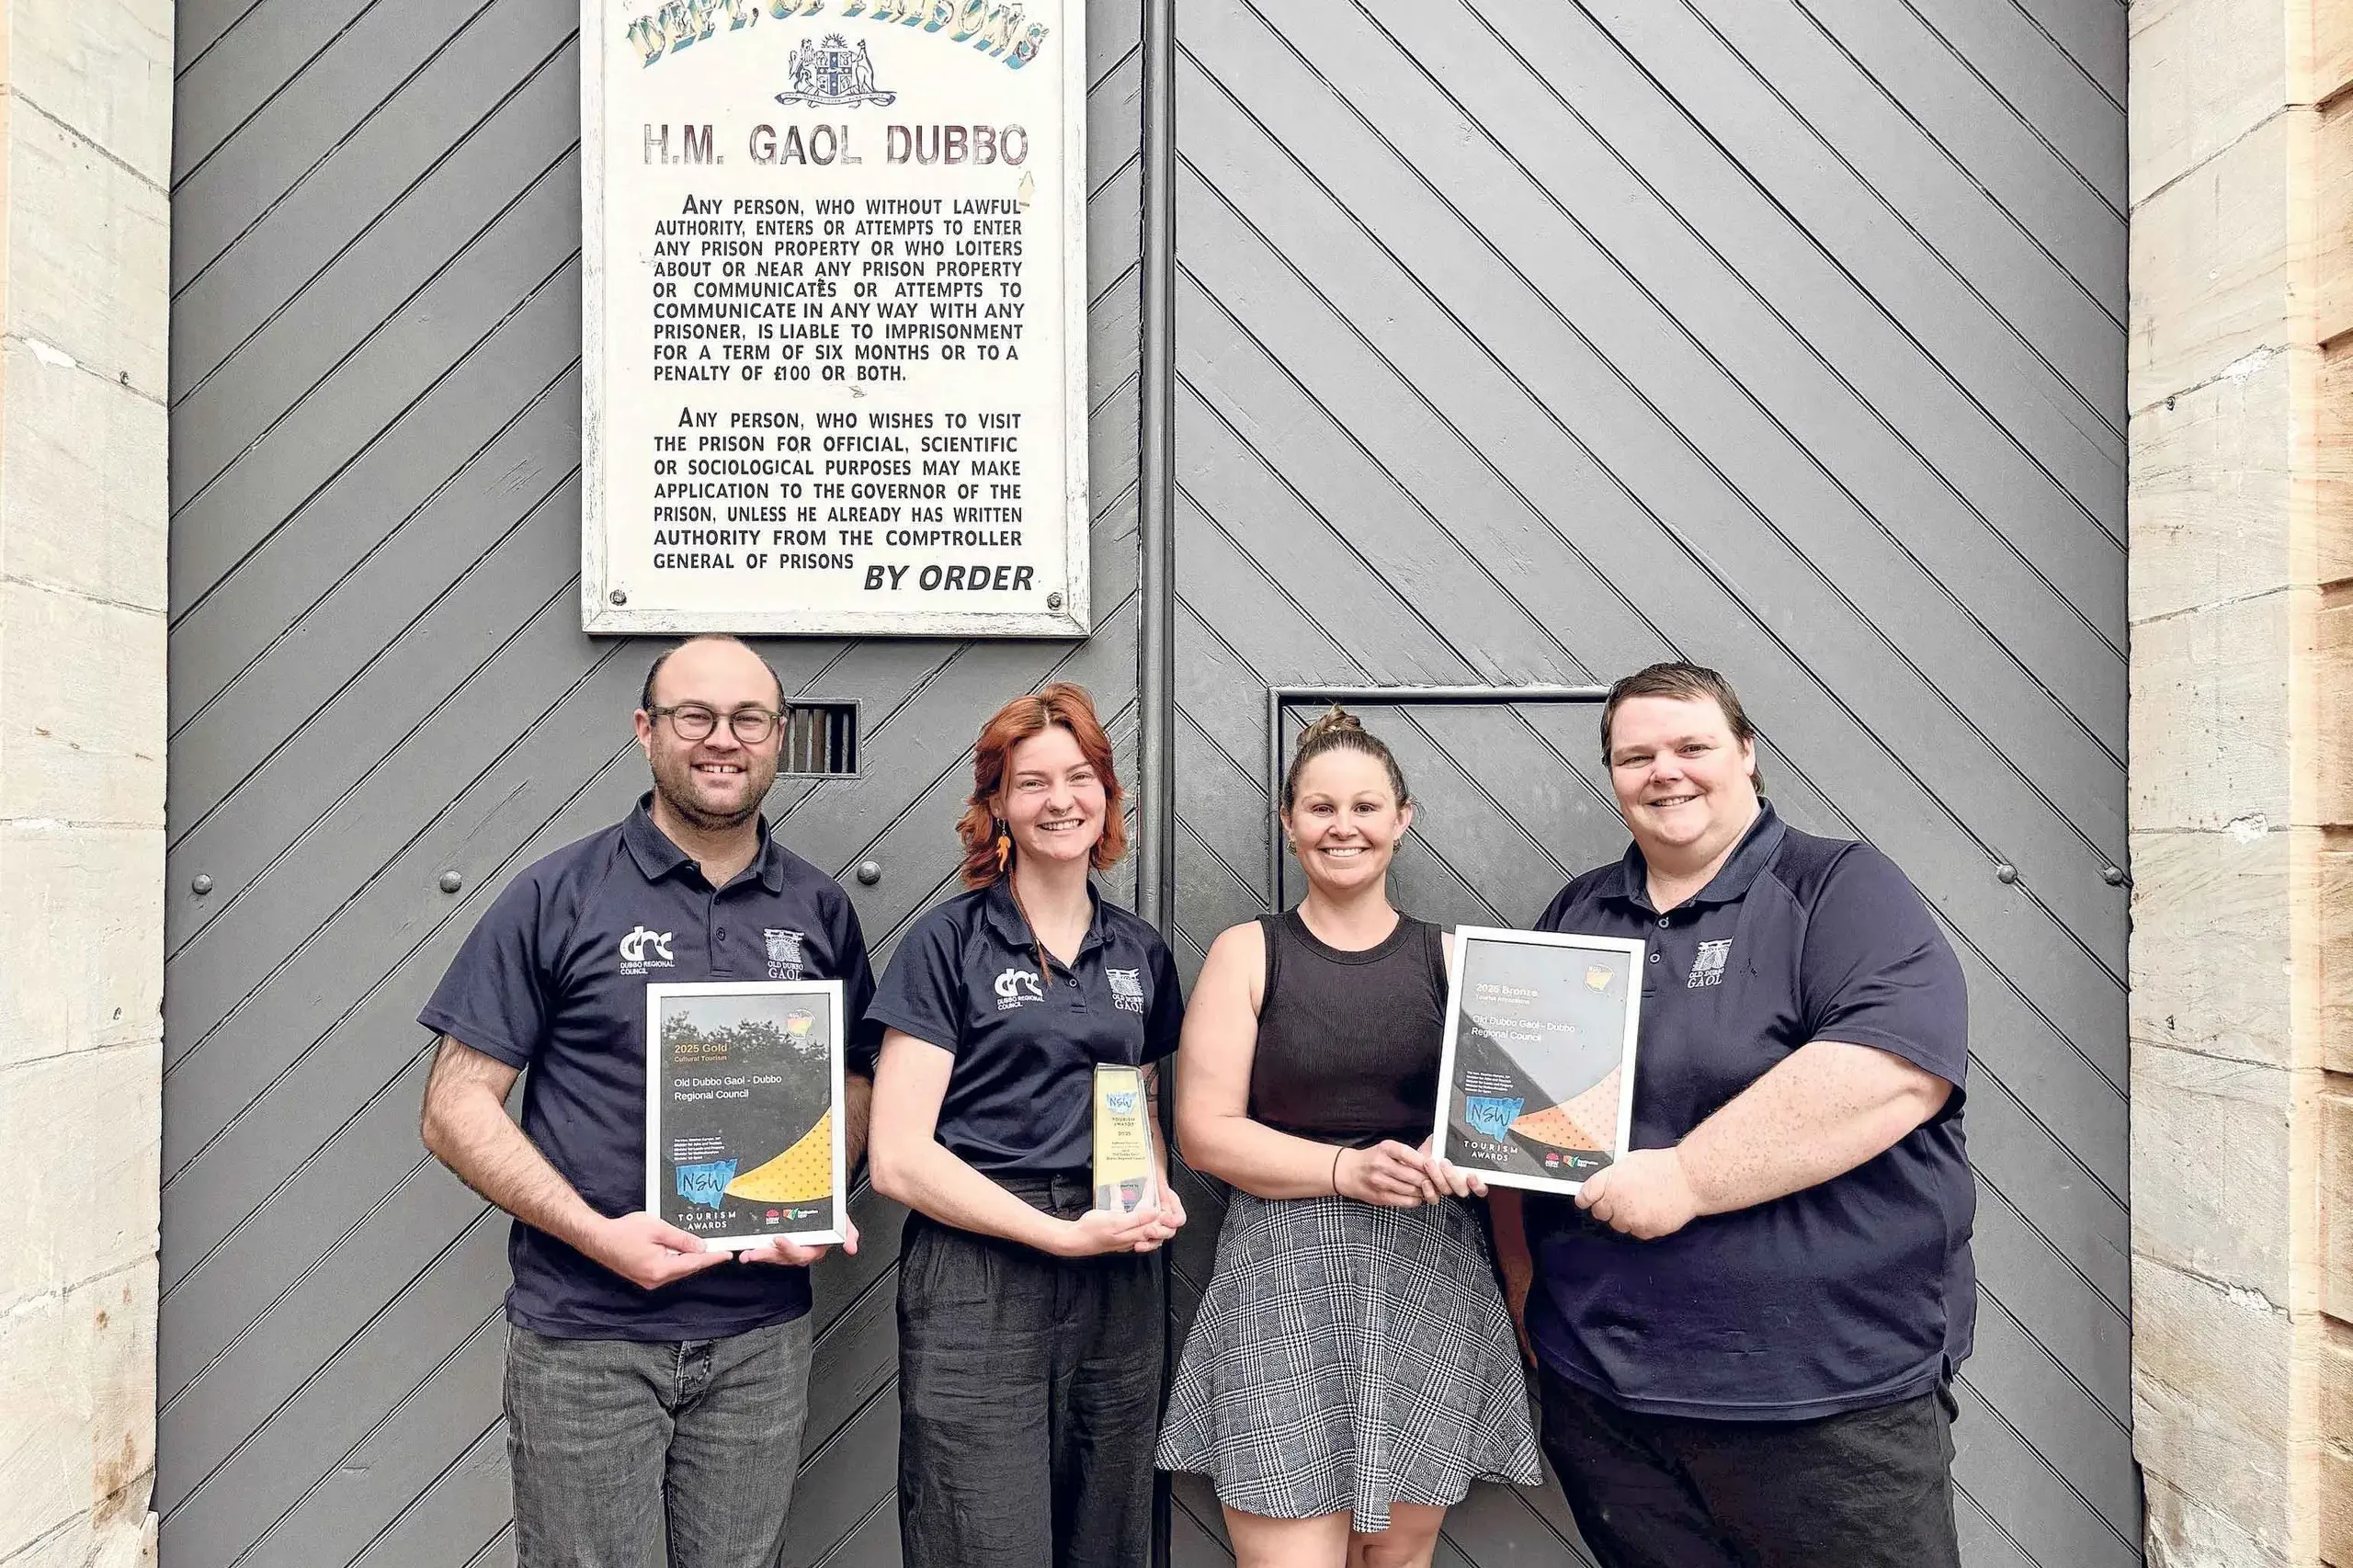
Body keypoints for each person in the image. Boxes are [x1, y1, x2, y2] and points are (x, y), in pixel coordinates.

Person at [1493, 661, 1973, 1568]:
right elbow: (1528, 1124)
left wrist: (1686, 1176)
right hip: (1609, 1401)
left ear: (1745, 753)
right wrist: (1529, 1298)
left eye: (1690, 745)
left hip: (1824, 1403)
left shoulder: (1839, 888)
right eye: (1635, 754)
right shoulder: (1578, 910)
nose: (1663, 770)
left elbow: (1895, 1071)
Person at [416, 633, 879, 1568]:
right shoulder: (556, 895)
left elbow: (856, 1078)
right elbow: (455, 1104)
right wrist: (597, 1233)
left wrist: (816, 1192)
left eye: (748, 719)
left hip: (760, 1332)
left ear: (777, 737)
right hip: (588, 1336)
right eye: (694, 715)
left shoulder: (820, 910)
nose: (723, 739)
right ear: (646, 730)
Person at [1158, 708, 1542, 1568]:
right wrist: (1344, 1169)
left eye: (1366, 807)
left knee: (1398, 1560)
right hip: (1282, 1283)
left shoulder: (1456, 960)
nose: (1344, 827)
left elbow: (1510, 1133)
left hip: (1428, 1278)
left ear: (1401, 819)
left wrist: (1484, 1171)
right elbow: (1204, 1134)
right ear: (1288, 822)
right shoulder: (1248, 953)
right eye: (1321, 808)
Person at [865, 681, 1186, 1568]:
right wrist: (1052, 1234)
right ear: (998, 803)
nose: (1060, 800)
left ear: (1106, 797)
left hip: (1116, 1270)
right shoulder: (947, 943)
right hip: (979, 1266)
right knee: (983, 1535)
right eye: (1032, 781)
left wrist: (1152, 1193)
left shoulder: (1139, 951)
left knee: (1109, 1529)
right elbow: (896, 1158)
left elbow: (1140, 1103)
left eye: (1079, 777)